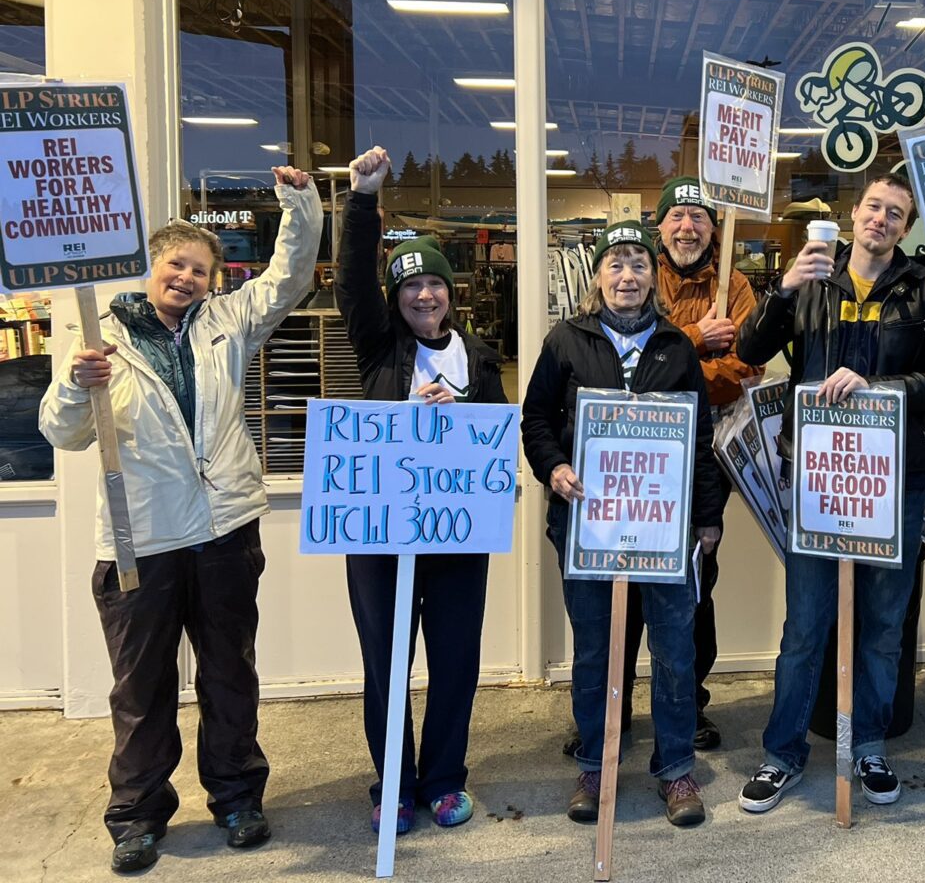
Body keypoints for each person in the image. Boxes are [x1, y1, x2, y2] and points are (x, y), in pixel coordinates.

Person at [40, 167, 323, 875]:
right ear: (151, 268)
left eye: (202, 269)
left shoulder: (229, 322)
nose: (190, 278)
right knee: (141, 689)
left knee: (231, 673)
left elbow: (290, 275)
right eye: (178, 265)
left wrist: (299, 203)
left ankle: (236, 798)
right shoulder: (95, 338)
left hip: (225, 529)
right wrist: (79, 387)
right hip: (141, 538)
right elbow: (60, 432)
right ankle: (137, 816)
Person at [734, 172, 925, 814]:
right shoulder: (811, 279)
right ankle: (782, 755)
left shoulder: (923, 291)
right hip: (818, 479)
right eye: (873, 207)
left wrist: (878, 387)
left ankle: (869, 748)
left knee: (884, 625)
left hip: (897, 482)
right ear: (851, 214)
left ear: (906, 228)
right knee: (806, 625)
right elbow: (751, 349)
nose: (881, 219)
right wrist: (781, 291)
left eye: (896, 213)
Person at [522, 221, 727, 829]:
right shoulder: (565, 341)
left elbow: (700, 438)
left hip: (665, 529)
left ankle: (676, 769)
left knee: (672, 650)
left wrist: (708, 517)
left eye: (639, 263)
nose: (627, 275)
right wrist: (554, 467)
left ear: (652, 276)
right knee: (595, 651)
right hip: (587, 525)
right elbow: (534, 420)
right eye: (615, 263)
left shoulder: (675, 346)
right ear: (598, 276)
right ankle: (596, 762)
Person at [335, 145, 509, 836]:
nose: (423, 296)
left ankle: (442, 780)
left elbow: (495, 444)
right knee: (385, 665)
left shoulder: (483, 358)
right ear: (396, 299)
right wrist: (361, 200)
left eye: (433, 285)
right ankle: (394, 786)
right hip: (381, 538)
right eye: (409, 287)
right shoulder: (379, 348)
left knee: (456, 664)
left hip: (459, 539)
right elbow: (351, 283)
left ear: (450, 292)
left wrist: (458, 420)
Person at [622, 177, 760, 751]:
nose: (687, 226)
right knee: (623, 587)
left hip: (702, 462)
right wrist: (696, 340)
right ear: (660, 225)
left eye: (699, 217)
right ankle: (613, 702)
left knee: (695, 585)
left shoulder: (737, 286)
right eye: (677, 215)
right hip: (632, 460)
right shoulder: (632, 275)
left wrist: (679, 370)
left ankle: (689, 704)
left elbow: (744, 371)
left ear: (714, 227)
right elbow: (623, 367)